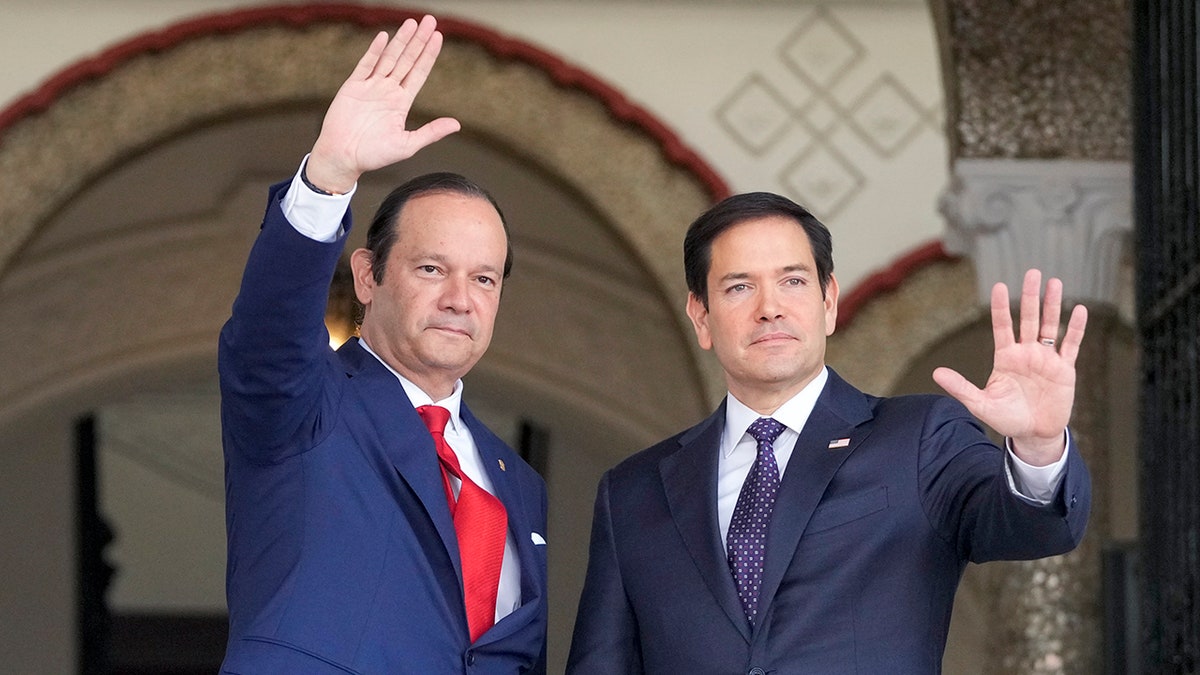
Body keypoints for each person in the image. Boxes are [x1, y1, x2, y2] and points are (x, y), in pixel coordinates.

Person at [566, 192, 1091, 674]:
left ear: (829, 300)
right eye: (739, 286)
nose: (769, 307)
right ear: (701, 316)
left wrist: (1039, 446)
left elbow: (1031, 526)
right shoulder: (633, 491)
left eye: (793, 281)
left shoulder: (919, 439)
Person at [218, 16, 547, 674]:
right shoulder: (305, 405)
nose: (461, 296)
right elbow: (268, 335)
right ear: (368, 276)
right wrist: (330, 176)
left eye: (483, 278)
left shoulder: (520, 482)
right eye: (431, 268)